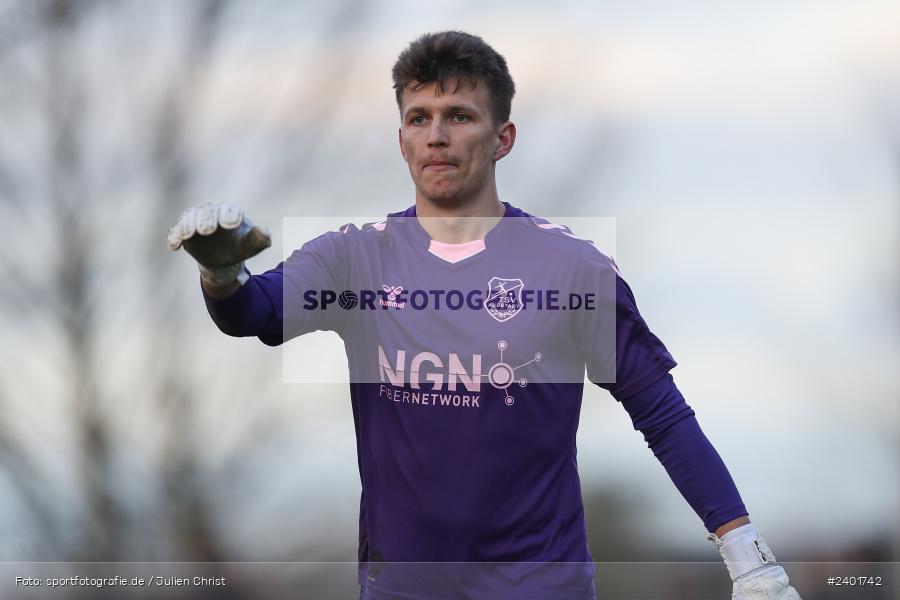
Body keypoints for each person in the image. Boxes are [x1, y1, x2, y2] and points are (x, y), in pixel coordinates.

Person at [168, 31, 801, 600]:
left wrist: (748, 557)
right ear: (401, 139)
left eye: (458, 116)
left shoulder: (571, 269)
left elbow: (661, 414)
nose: (436, 135)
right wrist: (221, 274)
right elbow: (257, 312)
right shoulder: (356, 258)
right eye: (419, 118)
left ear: (503, 138)